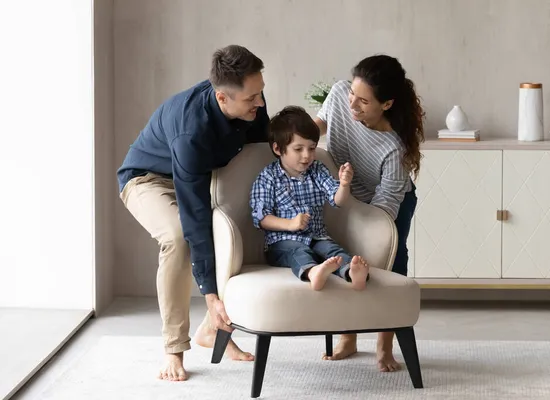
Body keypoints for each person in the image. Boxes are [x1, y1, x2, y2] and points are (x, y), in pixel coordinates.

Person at [116, 45, 269, 381]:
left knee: (237, 233)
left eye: (260, 93)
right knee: (178, 238)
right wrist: (210, 294)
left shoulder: (251, 101)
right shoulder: (191, 130)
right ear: (222, 98)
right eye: (251, 99)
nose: (259, 103)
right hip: (148, 180)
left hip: (201, 176)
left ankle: (213, 330)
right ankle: (174, 349)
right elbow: (194, 218)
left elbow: (262, 153)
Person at [314, 54, 425, 372]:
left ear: (387, 104)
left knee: (389, 266)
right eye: (353, 94)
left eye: (363, 101)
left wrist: (358, 221)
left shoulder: (394, 148)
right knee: (348, 262)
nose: (352, 105)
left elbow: (383, 210)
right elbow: (319, 123)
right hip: (347, 197)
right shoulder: (338, 94)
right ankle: (348, 338)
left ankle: (384, 345)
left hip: (388, 207)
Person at [250, 106, 370, 291]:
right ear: (277, 148)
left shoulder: (318, 170)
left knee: (333, 251)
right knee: (298, 251)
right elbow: (261, 217)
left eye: (312, 148)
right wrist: (290, 224)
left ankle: (351, 273)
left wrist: (344, 185)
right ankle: (313, 272)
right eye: (298, 149)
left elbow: (337, 200)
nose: (307, 156)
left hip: (318, 237)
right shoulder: (268, 177)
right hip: (282, 242)